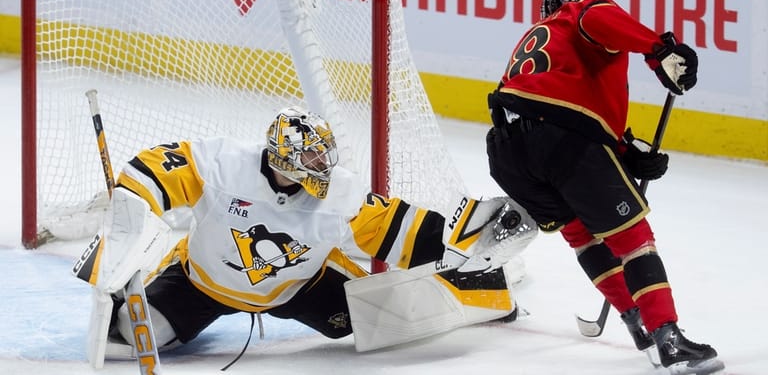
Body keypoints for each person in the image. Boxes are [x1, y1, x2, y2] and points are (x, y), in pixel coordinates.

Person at [75, 105, 538, 368]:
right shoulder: (223, 164)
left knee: (365, 322)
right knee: (137, 338)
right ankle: (122, 298)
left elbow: (396, 228)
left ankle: (489, 289)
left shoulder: (340, 194)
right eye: (312, 162)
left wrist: (460, 249)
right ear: (282, 159)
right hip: (201, 282)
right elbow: (159, 166)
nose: (324, 169)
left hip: (302, 286)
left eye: (324, 158)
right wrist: (133, 202)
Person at [485, 0, 724, 374]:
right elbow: (596, 16)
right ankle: (667, 338)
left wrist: (624, 152)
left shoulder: (546, 36)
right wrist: (658, 49)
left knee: (582, 234)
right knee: (634, 239)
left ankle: (637, 324)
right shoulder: (582, 11)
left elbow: (569, 103)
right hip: (560, 140)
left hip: (508, 151)